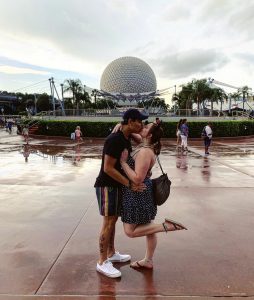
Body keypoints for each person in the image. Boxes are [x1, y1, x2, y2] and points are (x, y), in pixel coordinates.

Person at [120, 122, 187, 270]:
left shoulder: (145, 152)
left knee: (130, 232)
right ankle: (148, 260)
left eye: (145, 128)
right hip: (143, 192)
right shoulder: (147, 146)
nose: (141, 128)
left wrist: (123, 163)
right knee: (148, 228)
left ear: (149, 135)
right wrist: (125, 128)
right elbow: (137, 136)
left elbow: (137, 178)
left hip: (138, 192)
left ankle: (166, 226)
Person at [94, 108, 148, 278]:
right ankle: (102, 262)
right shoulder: (115, 139)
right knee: (108, 222)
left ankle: (111, 253)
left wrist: (126, 129)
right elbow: (107, 168)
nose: (142, 124)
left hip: (116, 186)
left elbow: (141, 139)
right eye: (139, 121)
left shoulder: (125, 137)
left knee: (113, 220)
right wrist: (130, 184)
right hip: (107, 186)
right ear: (131, 121)